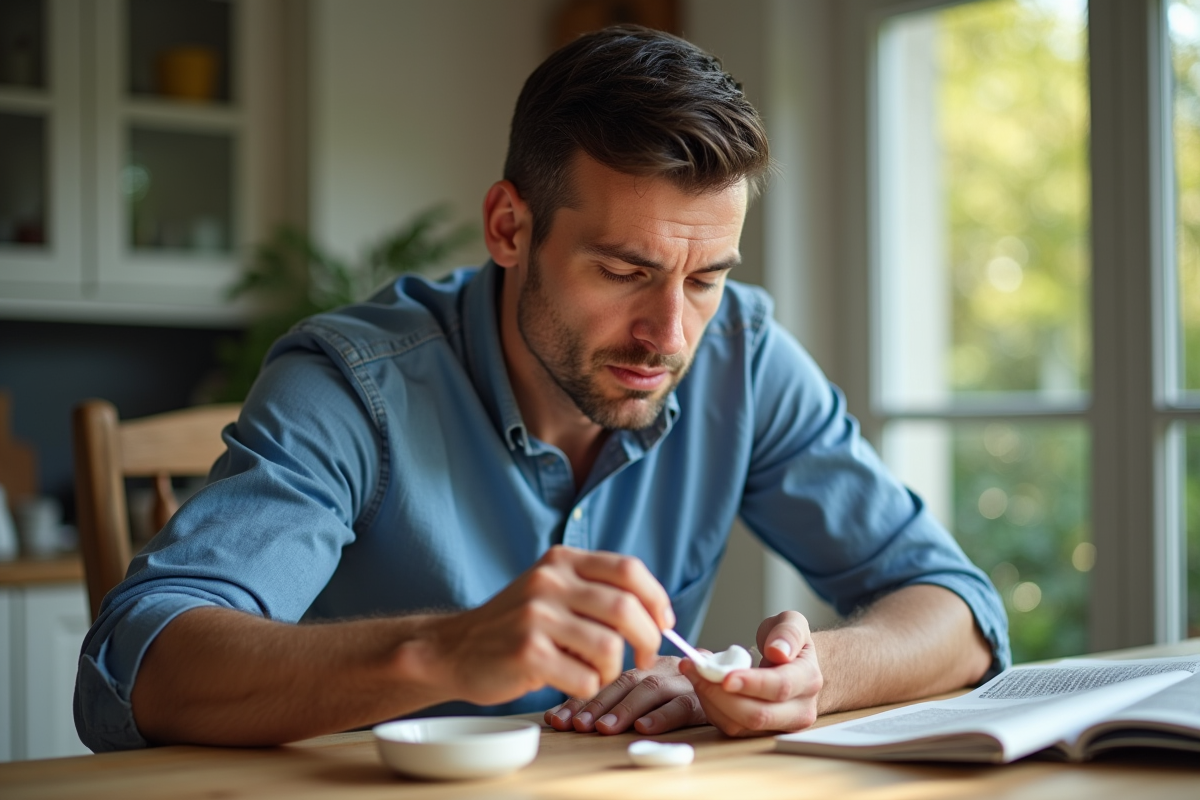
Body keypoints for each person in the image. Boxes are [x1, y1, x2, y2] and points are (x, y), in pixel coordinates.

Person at [75, 25, 1009, 753]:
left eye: (705, 277)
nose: (670, 333)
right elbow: (137, 668)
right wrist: (448, 649)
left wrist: (812, 676)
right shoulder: (353, 385)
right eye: (622, 270)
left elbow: (959, 612)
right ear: (510, 227)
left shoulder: (746, 358)